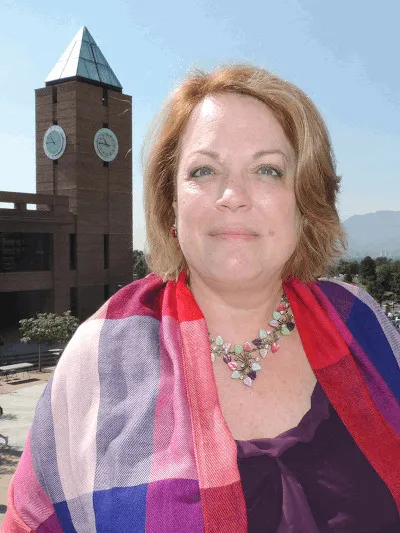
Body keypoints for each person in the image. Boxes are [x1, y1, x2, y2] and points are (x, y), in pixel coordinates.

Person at [3, 65, 400, 532]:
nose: (233, 195)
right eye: (204, 170)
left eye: (268, 170)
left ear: (305, 203)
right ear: (171, 202)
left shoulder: (361, 323)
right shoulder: (99, 357)